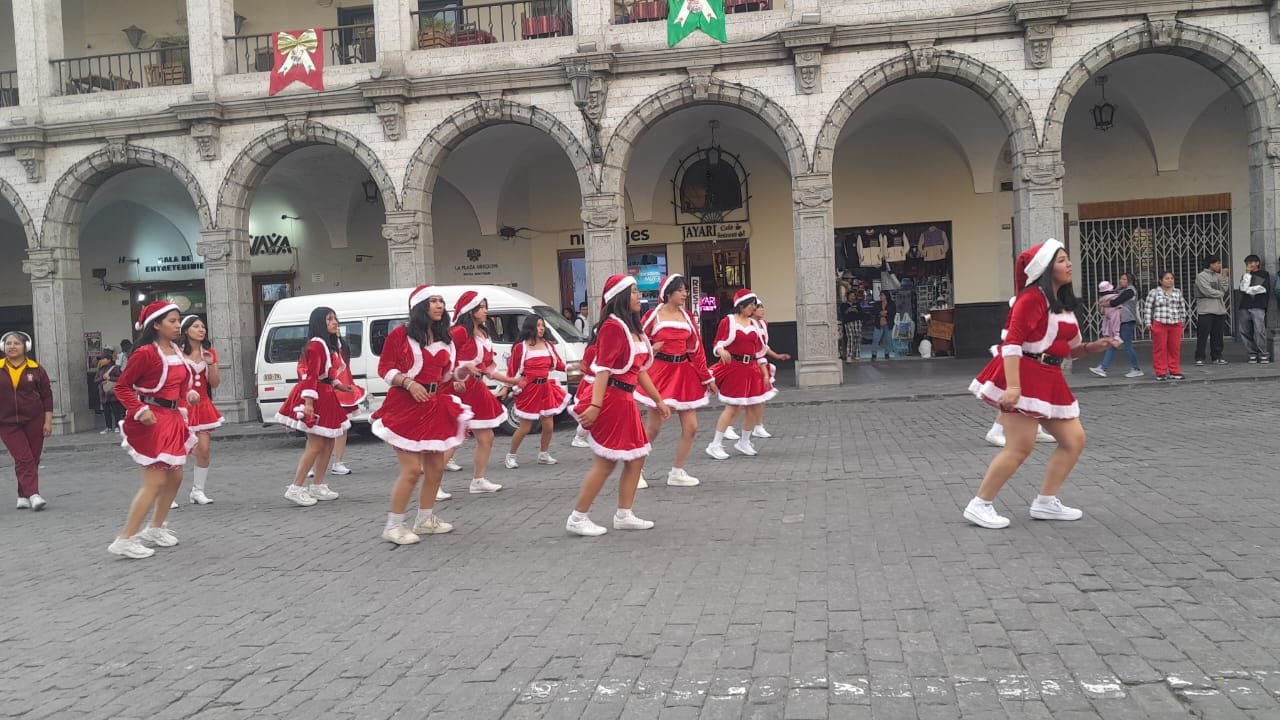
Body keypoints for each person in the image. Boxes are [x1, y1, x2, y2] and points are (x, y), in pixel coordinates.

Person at [964, 240, 1121, 529]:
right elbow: (1011, 342)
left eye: (1068, 258)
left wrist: (1094, 347)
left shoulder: (1061, 304)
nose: (1069, 264)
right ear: (1047, 268)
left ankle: (1046, 502)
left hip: (1050, 378)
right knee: (1019, 448)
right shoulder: (1032, 298)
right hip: (1025, 374)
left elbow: (1070, 350)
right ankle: (980, 504)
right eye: (1061, 260)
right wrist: (1013, 388)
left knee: (1073, 441)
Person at [567, 274, 668, 536]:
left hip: (625, 400)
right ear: (621, 297)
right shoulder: (613, 327)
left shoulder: (632, 328)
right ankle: (578, 518)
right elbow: (603, 370)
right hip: (612, 400)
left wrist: (658, 399)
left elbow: (640, 371)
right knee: (606, 462)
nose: (639, 296)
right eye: (634, 291)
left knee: (636, 458)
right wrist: (596, 406)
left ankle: (624, 513)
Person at [372, 285, 472, 545]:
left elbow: (446, 375)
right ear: (420, 306)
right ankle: (393, 525)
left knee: (436, 467)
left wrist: (461, 374)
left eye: (441, 301)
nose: (439, 306)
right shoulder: (400, 335)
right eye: (433, 301)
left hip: (433, 405)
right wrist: (408, 383)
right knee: (412, 470)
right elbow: (384, 369)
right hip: (405, 406)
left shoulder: (445, 338)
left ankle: (425, 519)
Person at [108, 302, 199, 558]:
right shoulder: (146, 353)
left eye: (178, 320)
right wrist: (139, 410)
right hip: (151, 420)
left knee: (175, 477)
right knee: (155, 480)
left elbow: (180, 385)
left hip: (172, 418)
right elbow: (122, 387)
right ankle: (125, 538)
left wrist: (188, 394)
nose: (177, 325)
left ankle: (156, 527)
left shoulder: (176, 350)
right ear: (156, 325)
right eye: (171, 320)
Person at [637, 275, 716, 488]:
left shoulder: (687, 316)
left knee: (691, 427)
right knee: (653, 427)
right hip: (659, 373)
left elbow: (696, 349)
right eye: (681, 290)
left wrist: (707, 377)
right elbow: (635, 343)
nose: (685, 294)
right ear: (669, 293)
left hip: (683, 373)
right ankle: (635, 470)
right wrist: (651, 350)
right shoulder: (652, 317)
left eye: (685, 290)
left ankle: (677, 471)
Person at [273, 307, 354, 506]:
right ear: (320, 323)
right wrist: (308, 403)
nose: (335, 322)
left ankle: (318, 485)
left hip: (324, 395)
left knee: (327, 443)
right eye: (329, 319)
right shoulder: (316, 345)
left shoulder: (325, 345)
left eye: (335, 318)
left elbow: (323, 374)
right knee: (317, 444)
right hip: (315, 396)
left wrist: (338, 385)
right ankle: (296, 487)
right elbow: (310, 375)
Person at [443, 291, 519, 496]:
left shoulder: (484, 334)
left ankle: (478, 480)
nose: (486, 311)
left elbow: (488, 369)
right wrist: (456, 377)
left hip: (476, 389)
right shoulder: (458, 332)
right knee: (456, 437)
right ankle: (432, 485)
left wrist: (510, 381)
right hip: (459, 388)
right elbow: (445, 358)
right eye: (481, 307)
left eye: (486, 307)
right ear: (471, 310)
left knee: (487, 437)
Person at [705, 289, 776, 460]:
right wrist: (721, 350)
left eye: (754, 305)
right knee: (733, 407)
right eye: (751, 305)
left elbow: (760, 349)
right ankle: (715, 444)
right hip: (734, 368)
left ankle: (744, 441)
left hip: (751, 367)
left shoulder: (754, 324)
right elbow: (718, 342)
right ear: (741, 306)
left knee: (754, 405)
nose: (753, 308)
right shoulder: (728, 321)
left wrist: (764, 371)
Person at [504, 315, 570, 469]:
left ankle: (543, 453)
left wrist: (574, 367)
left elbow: (559, 364)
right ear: (530, 327)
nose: (541, 328)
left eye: (542, 325)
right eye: (538, 325)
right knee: (525, 427)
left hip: (545, 388)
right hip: (529, 389)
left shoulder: (548, 345)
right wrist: (506, 386)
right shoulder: (521, 347)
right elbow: (512, 370)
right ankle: (511, 455)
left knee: (548, 425)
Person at [1, 331, 52, 511]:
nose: (12, 346)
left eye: (16, 343)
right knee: (23, 457)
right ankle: (34, 494)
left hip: (34, 420)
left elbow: (47, 396)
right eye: (8, 343)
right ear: (3, 347)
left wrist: (48, 421)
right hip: (6, 422)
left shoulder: (36, 369)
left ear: (26, 347)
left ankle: (22, 495)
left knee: (33, 458)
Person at [180, 316, 223, 505]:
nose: (201, 330)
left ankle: (198, 491)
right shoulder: (177, 353)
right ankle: (168, 494)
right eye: (196, 326)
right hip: (182, 407)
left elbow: (214, 383)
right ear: (186, 330)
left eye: (203, 327)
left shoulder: (209, 352)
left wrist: (211, 363)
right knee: (178, 451)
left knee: (203, 449)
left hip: (203, 405)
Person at [1090, 272, 1144, 378]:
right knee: (1113, 344)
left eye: (1124, 279)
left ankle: (1136, 369)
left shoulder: (1130, 291)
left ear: (1130, 281)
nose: (1121, 281)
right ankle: (1102, 367)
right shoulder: (1119, 290)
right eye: (1121, 279)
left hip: (1126, 321)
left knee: (1127, 345)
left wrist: (1103, 304)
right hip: (1119, 321)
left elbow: (1116, 302)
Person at [1144, 271, 1190, 381]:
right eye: (1167, 278)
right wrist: (1148, 323)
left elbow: (1182, 306)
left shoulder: (1177, 292)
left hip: (1175, 323)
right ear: (1161, 281)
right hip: (1160, 323)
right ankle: (1160, 371)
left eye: (1172, 278)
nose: (1170, 280)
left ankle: (1174, 370)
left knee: (1174, 348)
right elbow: (1148, 308)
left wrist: (1182, 320)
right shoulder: (1154, 292)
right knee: (1160, 348)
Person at [1194, 256, 1230, 365]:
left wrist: (1224, 276)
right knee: (1203, 335)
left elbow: (1224, 288)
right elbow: (1207, 291)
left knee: (1218, 335)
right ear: (1211, 264)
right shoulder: (1201, 276)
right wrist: (1220, 294)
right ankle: (1200, 357)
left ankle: (1217, 356)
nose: (1219, 265)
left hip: (1219, 310)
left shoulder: (1218, 276)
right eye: (1217, 263)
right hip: (1205, 310)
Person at [1238, 254, 1271, 363]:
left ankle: (1263, 354)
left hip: (1258, 306)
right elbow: (1242, 287)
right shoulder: (1245, 276)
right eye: (1248, 263)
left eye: (1252, 262)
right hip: (1244, 306)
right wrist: (1247, 275)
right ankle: (1252, 353)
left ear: (1257, 263)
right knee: (1245, 330)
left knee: (1259, 331)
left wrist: (1248, 289)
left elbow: (1261, 289)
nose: (1250, 265)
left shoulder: (1264, 274)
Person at [96, 350, 124, 434]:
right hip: (104, 393)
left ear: (109, 359)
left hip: (113, 394)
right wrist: (102, 378)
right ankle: (108, 427)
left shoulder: (116, 368)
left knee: (116, 411)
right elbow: (96, 380)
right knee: (106, 411)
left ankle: (117, 426)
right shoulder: (100, 369)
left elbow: (121, 379)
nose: (101, 360)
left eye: (103, 358)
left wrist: (110, 378)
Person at [870, 290, 897, 360]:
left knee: (888, 339)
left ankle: (887, 353)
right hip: (879, 324)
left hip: (888, 324)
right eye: (880, 295)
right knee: (876, 339)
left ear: (886, 296)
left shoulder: (891, 304)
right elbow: (873, 312)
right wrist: (880, 313)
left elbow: (893, 312)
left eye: (882, 295)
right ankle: (874, 353)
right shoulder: (877, 304)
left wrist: (886, 313)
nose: (881, 297)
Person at [840, 290, 862, 363]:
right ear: (847, 297)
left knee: (857, 338)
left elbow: (861, 312)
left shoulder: (857, 304)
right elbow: (843, 312)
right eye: (851, 296)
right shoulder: (844, 305)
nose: (852, 297)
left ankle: (857, 354)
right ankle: (849, 355)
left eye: (853, 296)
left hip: (857, 322)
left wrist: (855, 310)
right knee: (850, 338)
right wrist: (849, 310)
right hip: (848, 322)